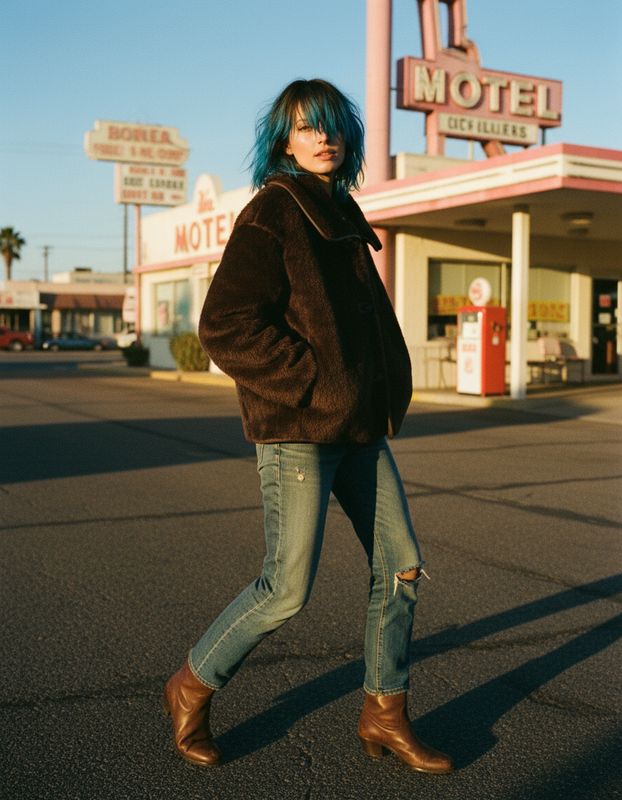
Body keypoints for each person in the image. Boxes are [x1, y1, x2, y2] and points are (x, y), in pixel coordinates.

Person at [163, 78, 453, 775]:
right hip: (299, 429)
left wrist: (376, 390)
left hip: (357, 430)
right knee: (286, 588)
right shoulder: (275, 211)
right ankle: (192, 683)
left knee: (402, 564)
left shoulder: (342, 211)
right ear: (283, 142)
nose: (322, 138)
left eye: (330, 127)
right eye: (305, 128)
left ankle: (385, 713)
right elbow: (224, 326)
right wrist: (315, 385)